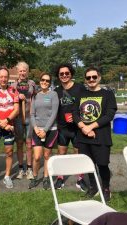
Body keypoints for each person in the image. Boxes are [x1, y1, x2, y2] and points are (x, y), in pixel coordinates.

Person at [72, 67, 117, 201]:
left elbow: (109, 115)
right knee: (88, 164)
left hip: (101, 136)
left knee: (102, 164)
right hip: (83, 137)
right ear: (85, 80)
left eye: (94, 77)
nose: (91, 80)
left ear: (99, 78)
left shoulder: (108, 95)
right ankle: (93, 187)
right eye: (88, 77)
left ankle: (106, 188)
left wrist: (90, 126)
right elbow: (75, 113)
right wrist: (83, 127)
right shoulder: (81, 94)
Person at [54, 63, 88, 192]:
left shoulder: (80, 88)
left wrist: (78, 117)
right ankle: (60, 177)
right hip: (62, 127)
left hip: (77, 127)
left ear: (71, 74)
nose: (64, 75)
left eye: (66, 73)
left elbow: (86, 105)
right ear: (58, 76)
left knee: (77, 153)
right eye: (61, 74)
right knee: (61, 153)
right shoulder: (56, 91)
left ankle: (80, 179)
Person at [28, 73, 59, 190]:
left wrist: (45, 130)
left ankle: (46, 178)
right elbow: (31, 114)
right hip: (37, 130)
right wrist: (36, 128)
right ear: (39, 81)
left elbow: (54, 114)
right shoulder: (35, 96)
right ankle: (35, 177)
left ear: (50, 83)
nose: (44, 82)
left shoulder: (53, 94)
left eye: (47, 80)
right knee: (36, 157)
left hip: (50, 130)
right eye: (43, 80)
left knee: (46, 155)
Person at [11, 61, 36, 180]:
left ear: (27, 71)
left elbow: (36, 97)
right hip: (18, 118)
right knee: (20, 143)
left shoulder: (32, 84)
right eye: (20, 70)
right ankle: (21, 169)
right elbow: (10, 100)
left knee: (29, 143)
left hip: (30, 117)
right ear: (17, 72)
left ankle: (30, 169)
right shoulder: (13, 86)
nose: (22, 72)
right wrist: (17, 96)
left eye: (24, 70)